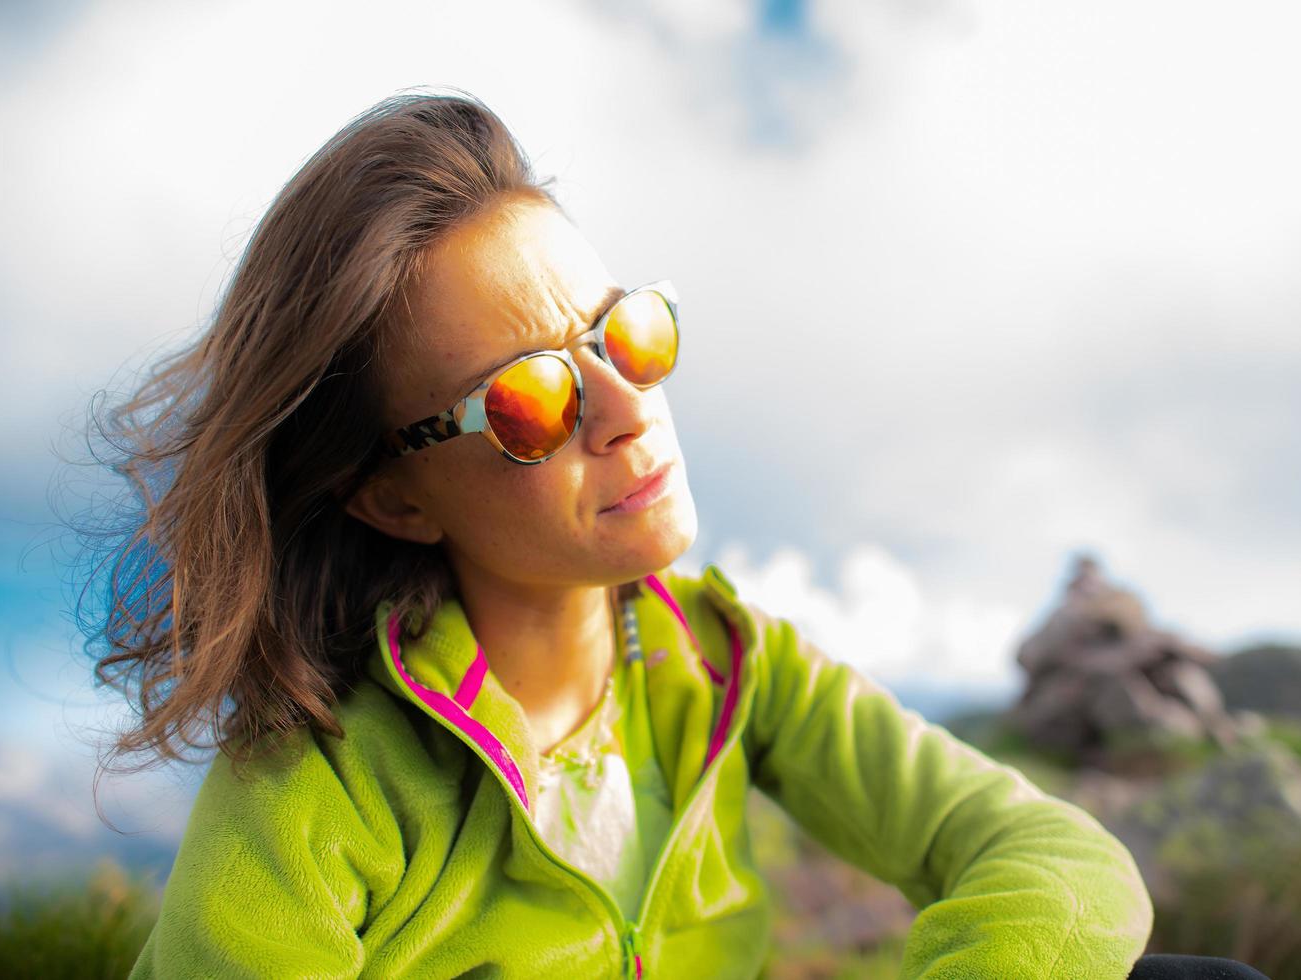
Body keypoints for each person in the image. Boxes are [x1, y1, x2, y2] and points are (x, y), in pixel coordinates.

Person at [83, 88, 1182, 978]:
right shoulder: (319, 785)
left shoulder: (731, 662)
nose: (628, 410)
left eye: (628, 330)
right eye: (528, 400)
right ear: (392, 496)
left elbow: (1056, 856)